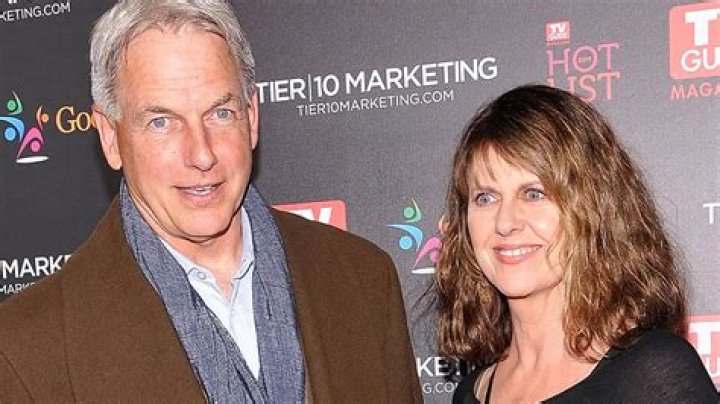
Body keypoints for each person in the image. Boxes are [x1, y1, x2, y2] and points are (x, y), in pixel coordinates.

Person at [0, 1, 422, 402]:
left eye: (220, 113)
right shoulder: (27, 347)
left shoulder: (364, 279)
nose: (201, 154)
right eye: (161, 122)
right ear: (111, 137)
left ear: (251, 118)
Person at [436, 84, 717, 403]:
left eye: (534, 194)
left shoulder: (651, 372)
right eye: (485, 198)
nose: (505, 222)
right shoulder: (471, 392)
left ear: (594, 208)